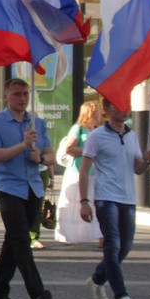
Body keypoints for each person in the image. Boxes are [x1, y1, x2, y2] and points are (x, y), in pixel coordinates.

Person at [0, 77, 55, 299]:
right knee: (22, 239)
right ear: (6, 96)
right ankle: (37, 291)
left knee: (13, 240)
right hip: (9, 188)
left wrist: (42, 158)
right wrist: (22, 146)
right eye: (17, 94)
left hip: (33, 187)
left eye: (25, 94)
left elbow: (51, 154)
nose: (22, 98)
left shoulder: (37, 123)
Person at [79, 97, 150, 299]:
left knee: (125, 247)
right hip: (106, 197)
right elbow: (85, 170)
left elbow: (137, 169)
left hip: (128, 198)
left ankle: (96, 279)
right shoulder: (96, 136)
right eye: (120, 106)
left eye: (127, 106)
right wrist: (84, 201)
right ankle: (122, 295)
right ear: (107, 109)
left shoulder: (132, 136)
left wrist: (147, 161)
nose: (125, 110)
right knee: (112, 245)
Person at [56, 100, 103, 245]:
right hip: (77, 172)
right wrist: (89, 152)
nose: (101, 113)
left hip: (94, 173)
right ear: (91, 112)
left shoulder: (98, 130)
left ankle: (100, 236)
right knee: (74, 203)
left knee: (95, 203)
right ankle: (69, 235)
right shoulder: (78, 128)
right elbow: (69, 148)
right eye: (98, 110)